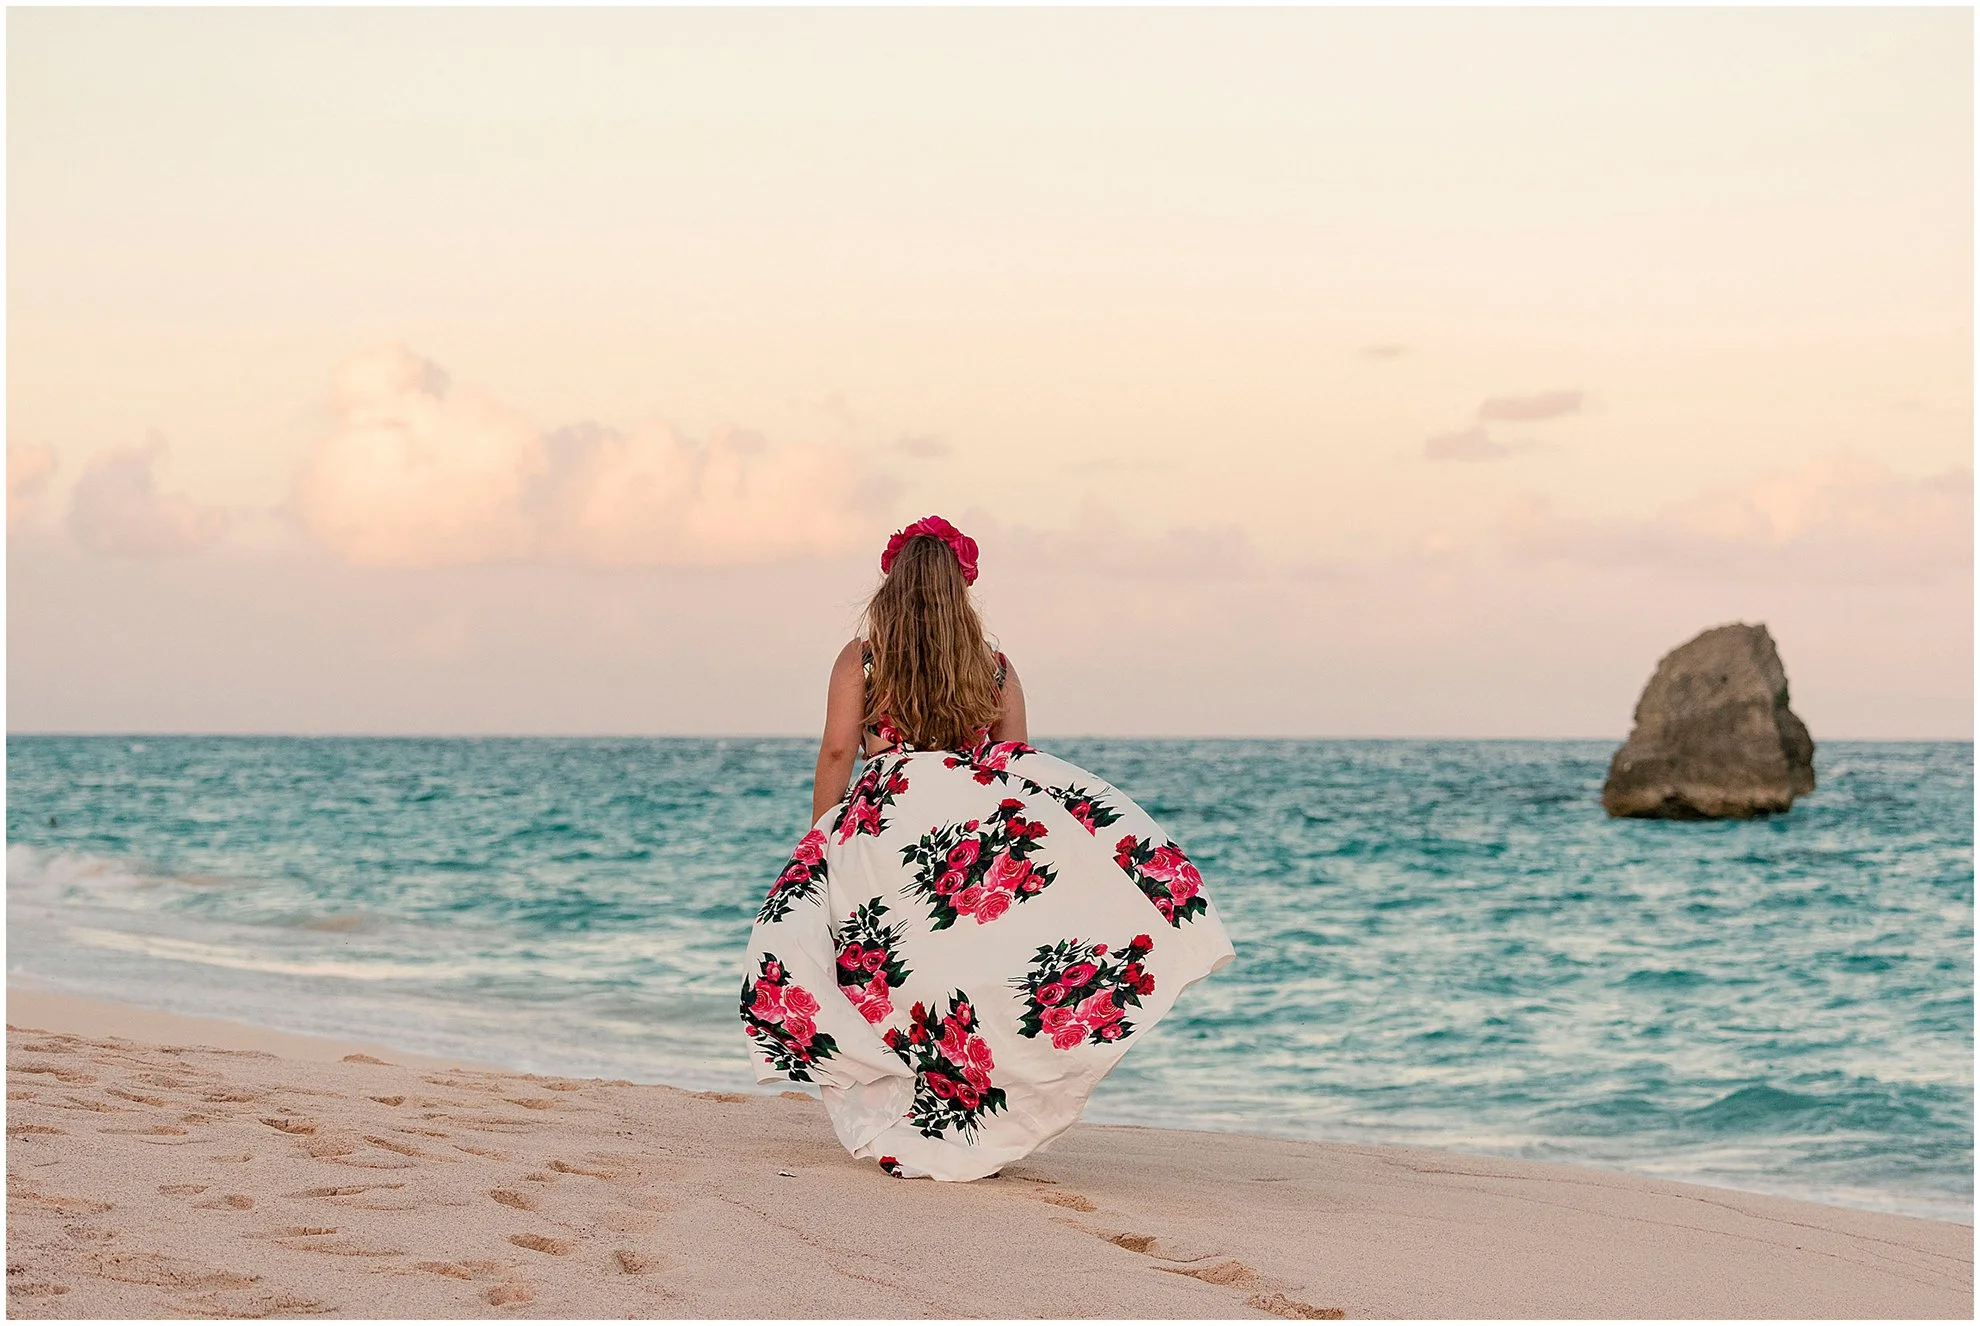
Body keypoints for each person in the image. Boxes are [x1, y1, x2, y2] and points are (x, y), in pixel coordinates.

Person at [740, 515, 1234, 1180]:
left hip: (887, 834)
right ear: (960, 593)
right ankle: (978, 1114)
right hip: (967, 841)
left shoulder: (863, 659)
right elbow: (1014, 764)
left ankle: (908, 1111)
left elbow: (836, 752)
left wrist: (820, 847)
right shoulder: (994, 668)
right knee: (972, 980)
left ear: (891, 590)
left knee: (892, 985)